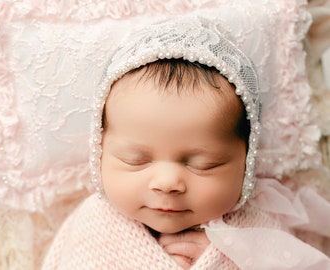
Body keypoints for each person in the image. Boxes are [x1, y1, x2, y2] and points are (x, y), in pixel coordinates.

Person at [42, 16, 330, 269]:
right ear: (100, 152)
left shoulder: (256, 232)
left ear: (246, 162)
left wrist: (232, 258)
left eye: (204, 165)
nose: (167, 183)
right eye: (135, 160)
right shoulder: (93, 228)